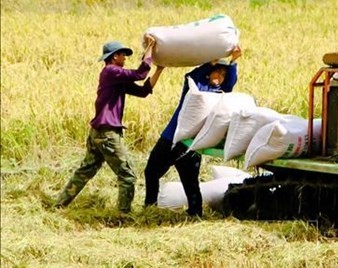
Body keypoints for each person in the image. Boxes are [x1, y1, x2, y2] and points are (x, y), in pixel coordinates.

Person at [55, 36, 164, 213]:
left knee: (85, 171)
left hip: (98, 133)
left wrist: (159, 69)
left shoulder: (117, 80)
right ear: (114, 57)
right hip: (107, 134)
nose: (125, 58)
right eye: (123, 55)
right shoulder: (110, 71)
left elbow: (143, 91)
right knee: (127, 175)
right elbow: (139, 74)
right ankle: (123, 215)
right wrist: (149, 50)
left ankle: (60, 204)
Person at [144, 46, 242, 217]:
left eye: (223, 75)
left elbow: (230, 82)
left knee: (189, 181)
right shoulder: (196, 87)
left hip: (184, 142)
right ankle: (152, 207)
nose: (220, 78)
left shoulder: (220, 94)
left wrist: (233, 62)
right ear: (209, 73)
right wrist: (208, 64)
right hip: (178, 140)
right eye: (217, 73)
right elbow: (190, 76)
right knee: (153, 173)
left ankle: (193, 213)